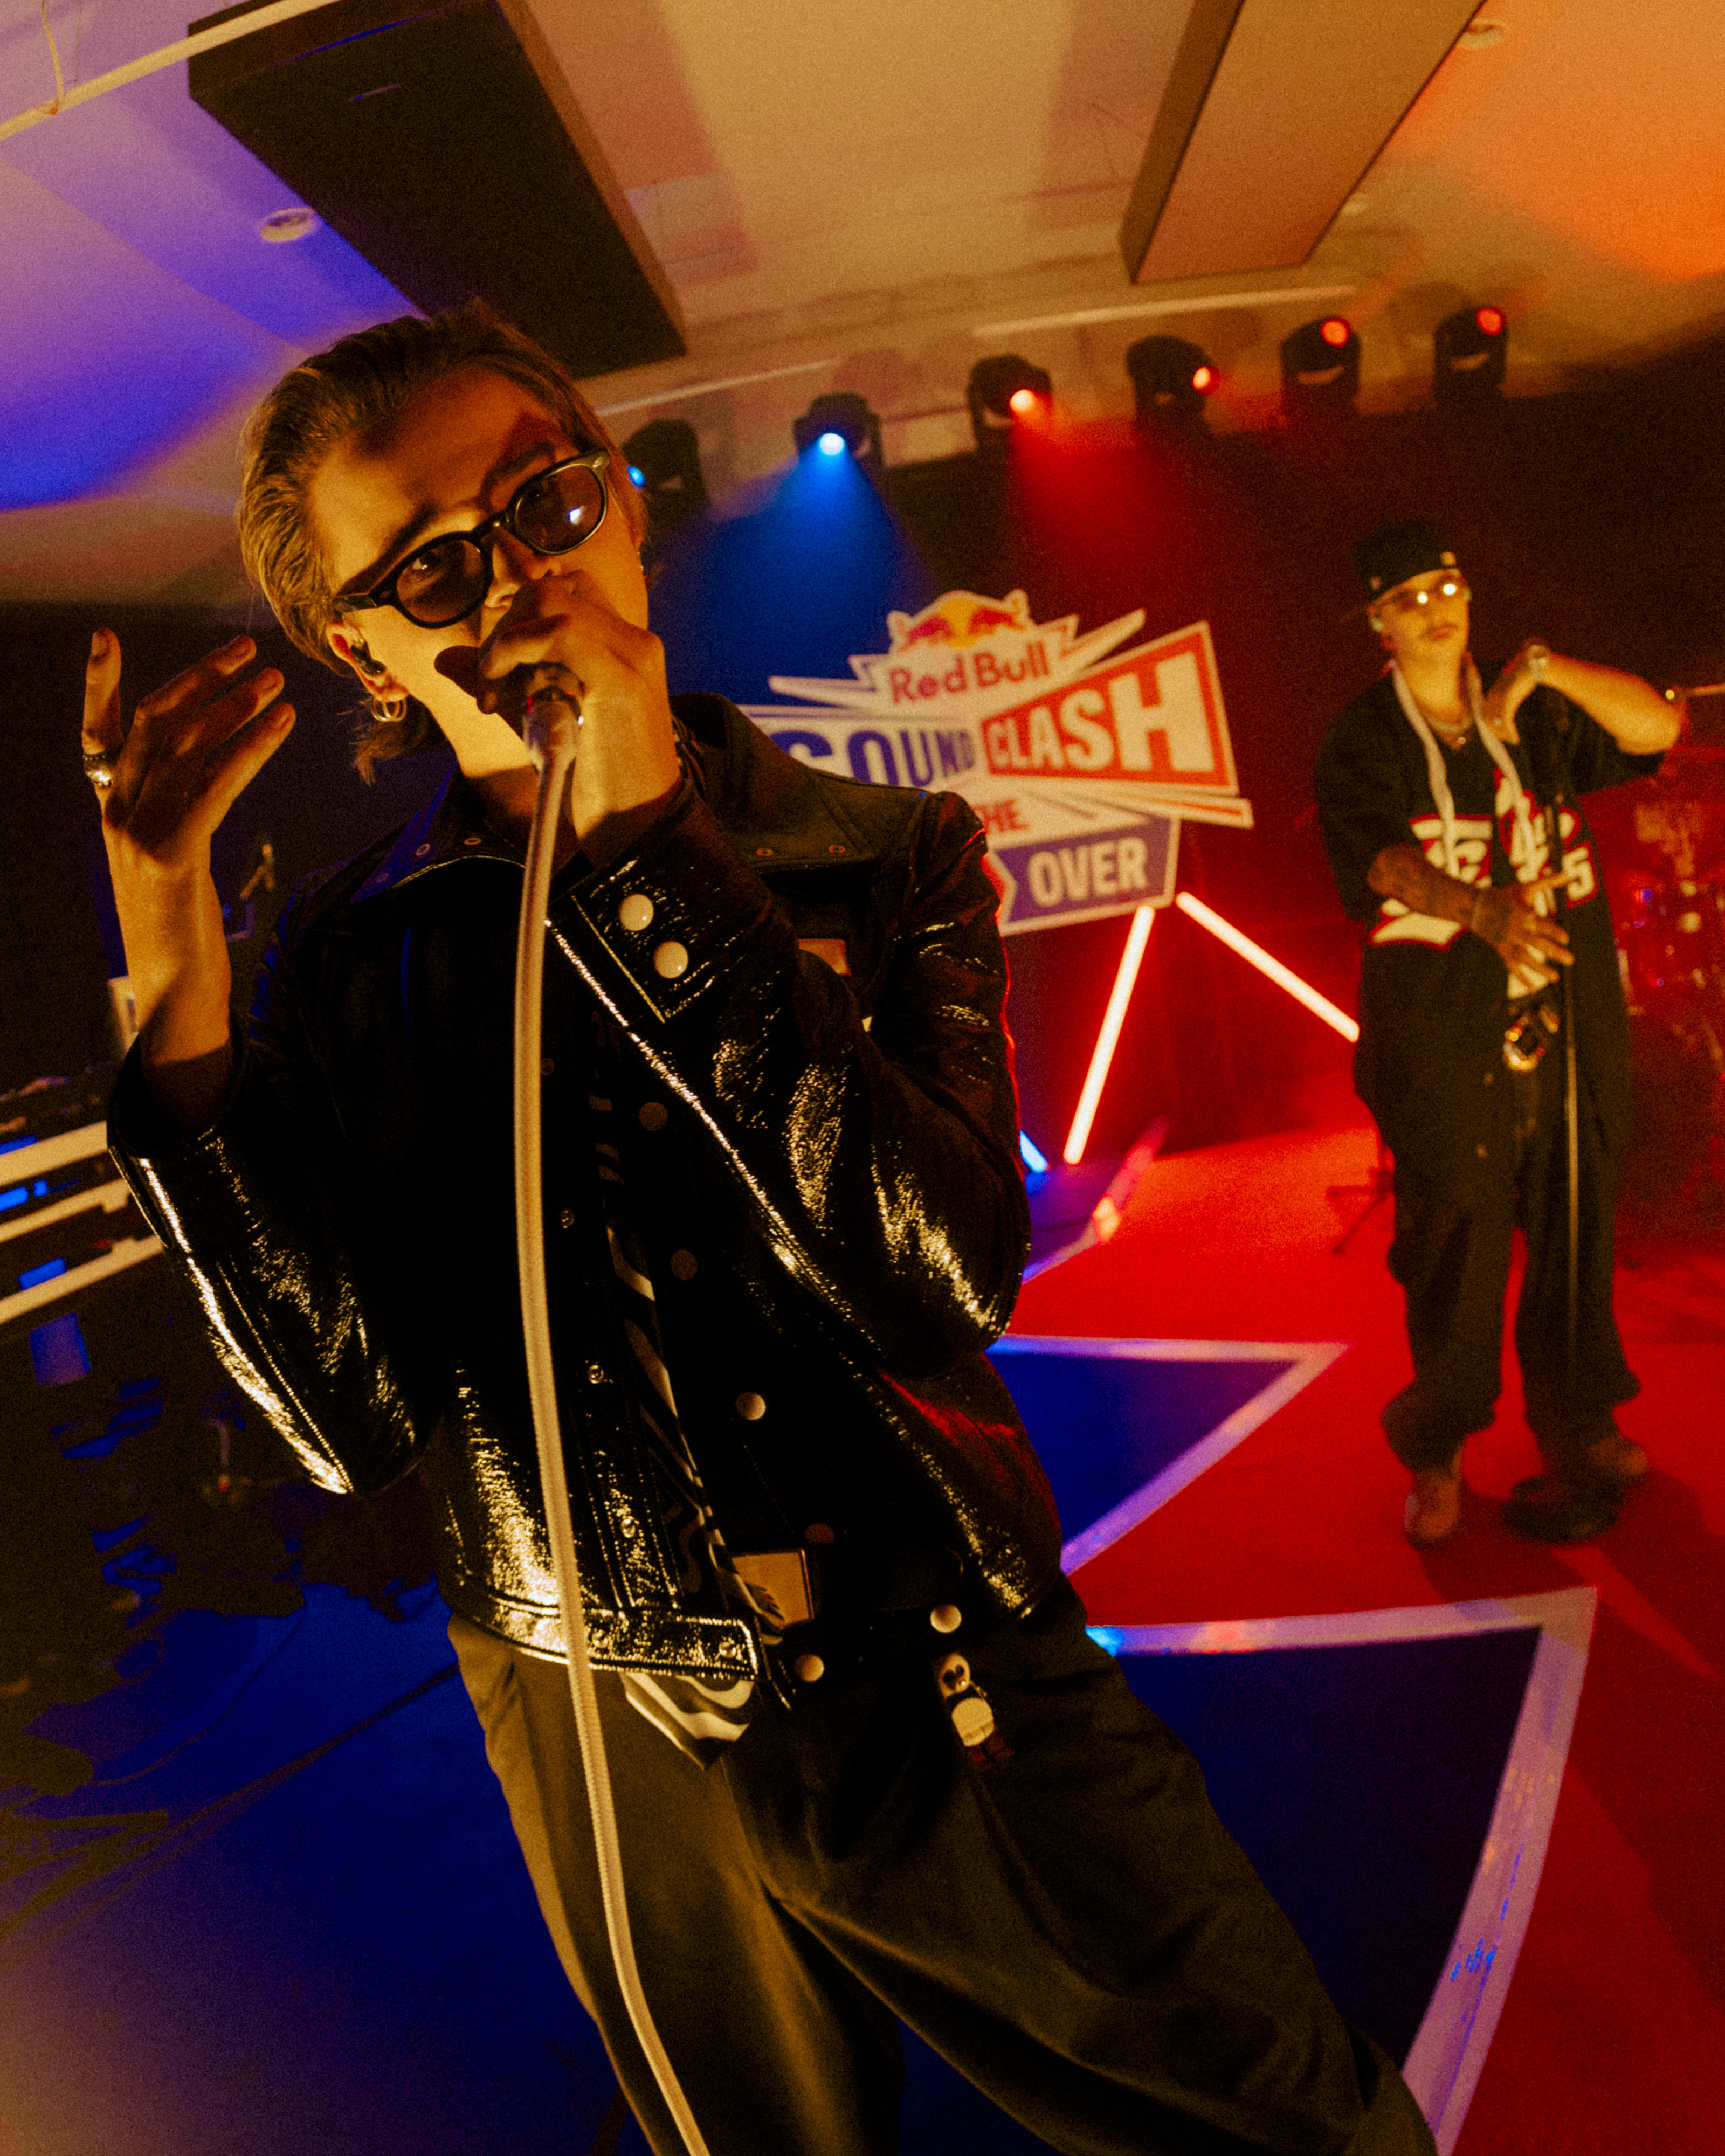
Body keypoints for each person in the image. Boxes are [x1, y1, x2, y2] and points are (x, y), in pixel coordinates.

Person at [91, 304, 1433, 2155]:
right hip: (590, 1698)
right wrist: (177, 974)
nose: (523, 578)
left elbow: (939, 1271)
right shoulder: (350, 951)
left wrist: (649, 835)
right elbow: (343, 1419)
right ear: (357, 647)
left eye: (547, 501)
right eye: (438, 566)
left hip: (936, 1652)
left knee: (1296, 2123)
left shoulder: (886, 854)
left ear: (626, 501)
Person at [1315, 520, 1680, 1547]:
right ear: (1379, 626)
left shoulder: (1535, 718)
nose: (1436, 611)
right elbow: (1381, 863)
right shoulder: (1361, 739)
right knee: (1454, 1251)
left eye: (1447, 589)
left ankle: (1581, 1421)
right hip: (1441, 1034)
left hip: (1568, 1024)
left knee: (1577, 1232)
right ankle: (1437, 1448)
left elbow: (1656, 728)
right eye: (1410, 600)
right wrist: (1485, 910)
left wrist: (1546, 669)